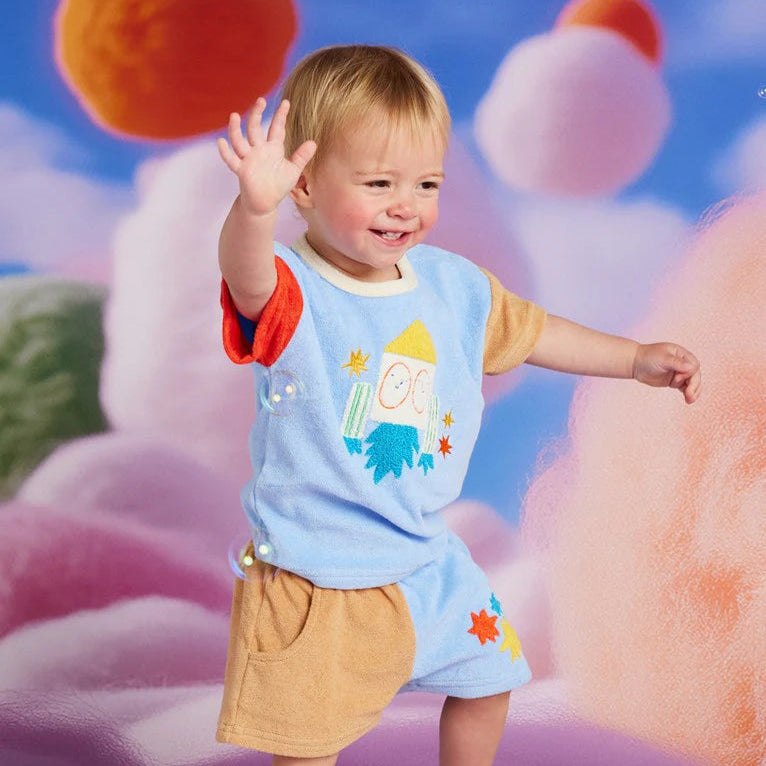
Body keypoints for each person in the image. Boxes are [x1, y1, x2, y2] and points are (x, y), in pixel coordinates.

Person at [213, 45, 701, 766]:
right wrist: (254, 209)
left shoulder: (454, 287)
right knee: (307, 741)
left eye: (426, 183)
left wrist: (632, 358)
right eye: (379, 183)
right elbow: (246, 276)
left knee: (489, 678)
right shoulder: (294, 288)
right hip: (316, 574)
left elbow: (537, 332)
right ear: (304, 183)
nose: (405, 205)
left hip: (424, 558)